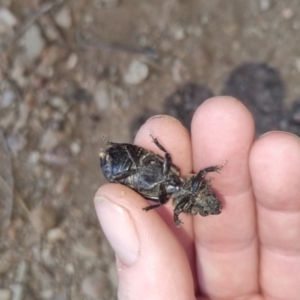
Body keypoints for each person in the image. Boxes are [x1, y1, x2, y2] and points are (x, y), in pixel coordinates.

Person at [94, 96, 300, 300]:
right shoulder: (176, 180)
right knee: (164, 161)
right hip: (143, 169)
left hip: (139, 175)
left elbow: (180, 199)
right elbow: (189, 175)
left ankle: (115, 157)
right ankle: (114, 152)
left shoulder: (173, 196)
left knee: (163, 168)